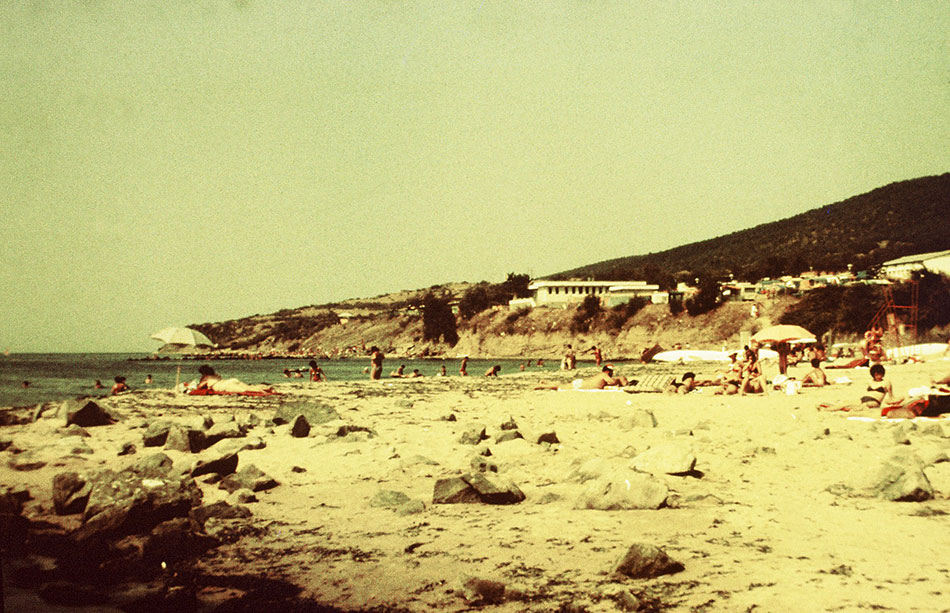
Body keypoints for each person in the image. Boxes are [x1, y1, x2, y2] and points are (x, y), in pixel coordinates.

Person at [535, 364, 629, 390]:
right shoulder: (604, 375)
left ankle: (546, 382)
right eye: (611, 372)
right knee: (560, 386)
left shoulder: (602, 376)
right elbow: (612, 382)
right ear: (608, 371)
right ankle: (542, 386)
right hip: (580, 385)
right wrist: (619, 379)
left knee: (562, 385)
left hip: (581, 383)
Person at [196, 364, 274, 394]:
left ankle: (262, 391)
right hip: (229, 381)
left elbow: (199, 387)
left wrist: (201, 379)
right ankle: (266, 387)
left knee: (245, 391)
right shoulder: (216, 375)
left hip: (225, 386)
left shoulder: (206, 378)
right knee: (249, 387)